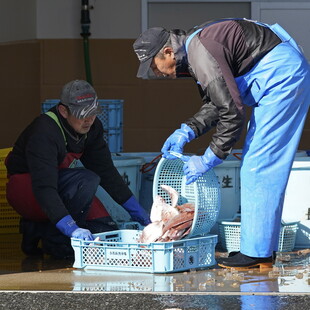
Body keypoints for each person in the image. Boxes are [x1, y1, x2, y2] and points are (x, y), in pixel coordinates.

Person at [133, 18, 310, 268]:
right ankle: (260, 250)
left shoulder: (199, 52)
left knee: (258, 166)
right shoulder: (195, 50)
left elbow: (232, 112)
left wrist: (209, 158)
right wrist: (188, 130)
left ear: (168, 51)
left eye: (154, 65)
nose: (157, 73)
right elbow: (218, 101)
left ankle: (257, 253)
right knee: (256, 165)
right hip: (277, 76)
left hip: (282, 78)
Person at [5, 80, 150, 258]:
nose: (89, 120)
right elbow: (44, 187)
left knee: (105, 232)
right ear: (63, 111)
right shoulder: (44, 132)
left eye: (93, 113)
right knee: (86, 180)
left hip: (58, 186)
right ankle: (46, 233)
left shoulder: (92, 128)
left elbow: (107, 172)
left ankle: (42, 228)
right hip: (27, 190)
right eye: (83, 115)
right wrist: (70, 228)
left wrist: (137, 211)